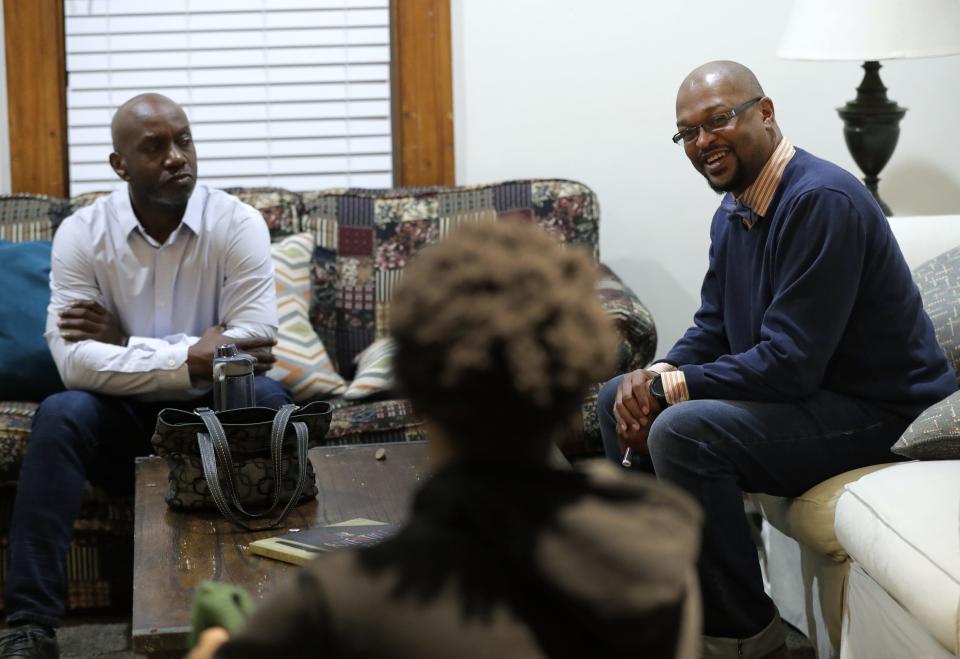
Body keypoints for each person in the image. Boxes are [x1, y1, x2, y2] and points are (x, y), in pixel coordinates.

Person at [189, 221, 703, 659]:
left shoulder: (338, 601)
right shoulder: (660, 553)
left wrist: (214, 640)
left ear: (410, 385)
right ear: (574, 388)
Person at [597, 60, 958, 659]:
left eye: (717, 121)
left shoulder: (821, 202)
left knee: (687, 431)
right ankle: (662, 606)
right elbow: (713, 327)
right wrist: (651, 379)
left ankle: (744, 634)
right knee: (616, 398)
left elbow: (790, 363)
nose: (702, 141)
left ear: (765, 114)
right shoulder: (735, 208)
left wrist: (670, 392)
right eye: (687, 132)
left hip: (884, 413)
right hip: (815, 399)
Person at [0, 93, 291, 659]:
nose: (177, 156)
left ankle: (274, 610)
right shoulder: (83, 235)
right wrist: (189, 356)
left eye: (183, 140)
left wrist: (125, 345)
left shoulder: (237, 224)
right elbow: (74, 363)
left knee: (271, 398)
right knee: (61, 412)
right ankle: (29, 627)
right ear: (120, 165)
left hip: (214, 411)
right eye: (154, 147)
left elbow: (254, 343)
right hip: (118, 416)